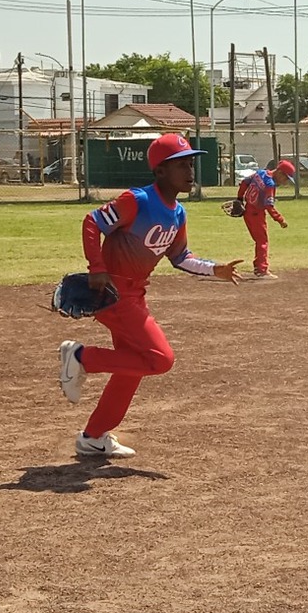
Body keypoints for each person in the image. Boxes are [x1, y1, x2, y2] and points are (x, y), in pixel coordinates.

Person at [57, 133, 241, 459]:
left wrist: (216, 270)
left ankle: (93, 437)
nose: (189, 170)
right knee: (160, 359)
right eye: (180, 164)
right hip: (111, 294)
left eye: (190, 163)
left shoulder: (178, 213)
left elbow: (181, 257)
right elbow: (92, 222)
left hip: (135, 295)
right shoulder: (137, 201)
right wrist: (96, 266)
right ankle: (81, 358)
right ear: (159, 172)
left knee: (134, 368)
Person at [237, 158, 293, 279]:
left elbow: (244, 183)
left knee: (259, 241)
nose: (285, 181)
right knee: (262, 241)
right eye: (286, 178)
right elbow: (269, 206)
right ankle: (262, 270)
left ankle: (258, 267)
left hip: (247, 211)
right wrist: (280, 220)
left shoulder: (260, 173)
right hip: (257, 214)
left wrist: (239, 198)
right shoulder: (270, 184)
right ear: (279, 172)